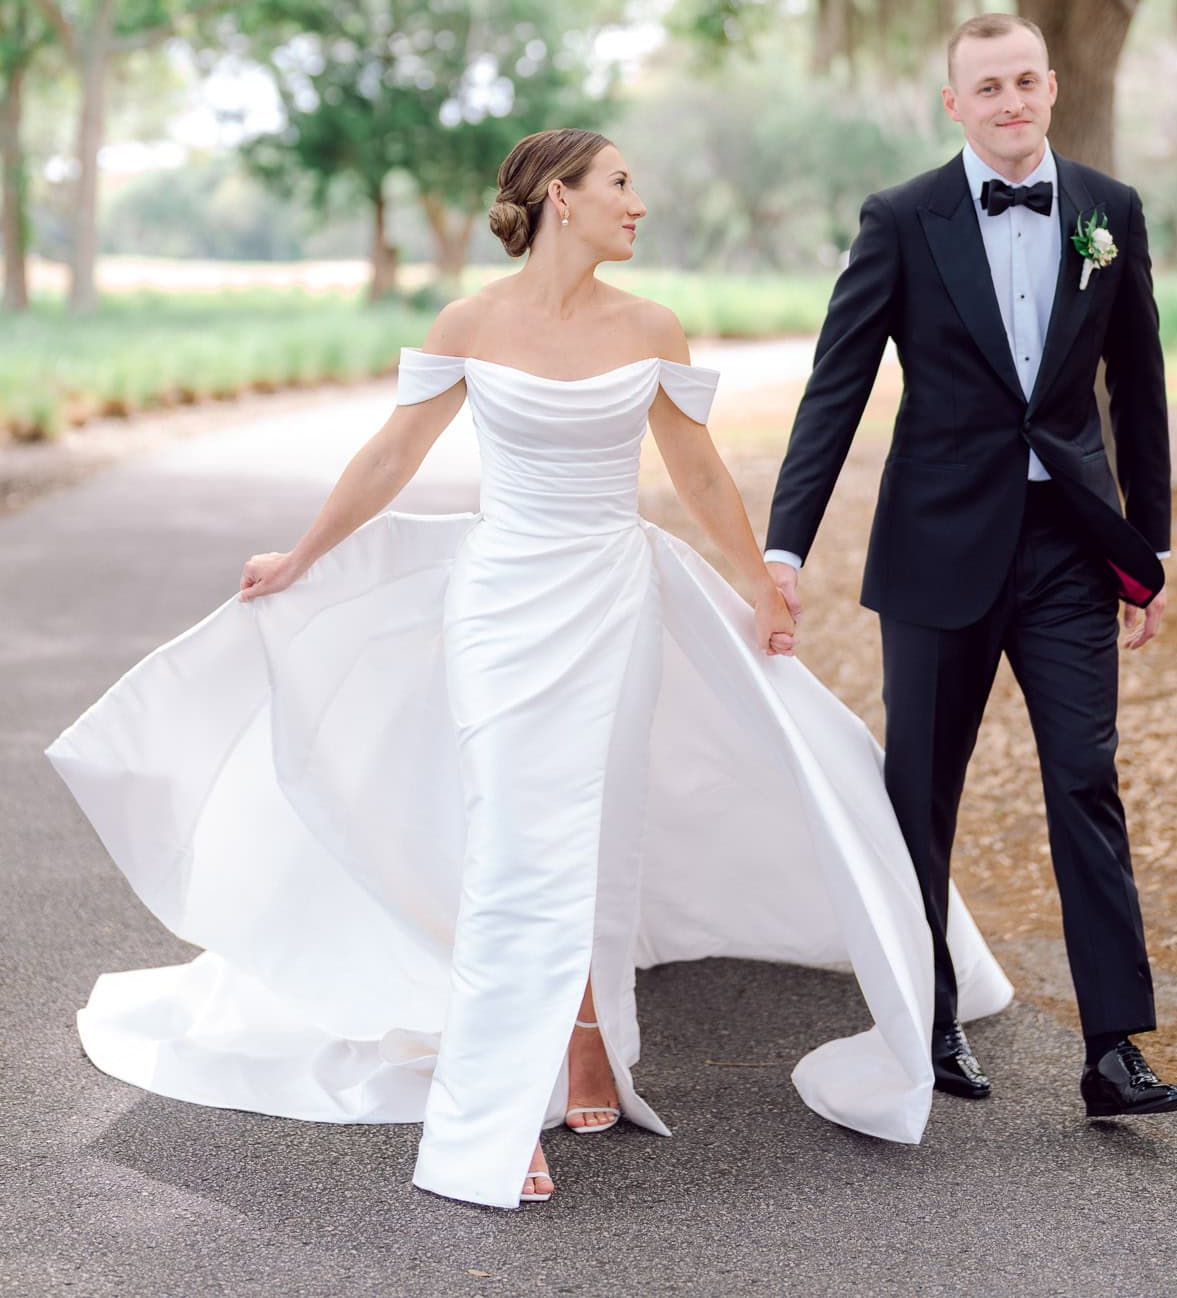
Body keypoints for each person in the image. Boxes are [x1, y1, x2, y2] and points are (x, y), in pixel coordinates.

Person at [47, 127, 1011, 1213]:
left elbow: (692, 466)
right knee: (513, 839)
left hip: (613, 600)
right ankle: (491, 1111)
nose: (638, 203)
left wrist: (760, 582)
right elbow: (390, 454)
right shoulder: (471, 323)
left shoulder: (650, 326)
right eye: (620, 184)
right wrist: (303, 554)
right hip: (501, 605)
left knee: (590, 828)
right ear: (561, 198)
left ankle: (590, 1032)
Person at [764, 14, 1177, 1120]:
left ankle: (1113, 1049)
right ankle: (928, 1015)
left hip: (1067, 554)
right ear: (953, 104)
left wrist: (1147, 550)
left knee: (1085, 782)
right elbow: (836, 387)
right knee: (922, 793)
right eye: (984, 86)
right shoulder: (903, 218)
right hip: (937, 546)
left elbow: (1136, 389)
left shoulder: (1109, 210)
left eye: (1022, 81)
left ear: (1052, 86)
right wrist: (785, 542)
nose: (1008, 101)